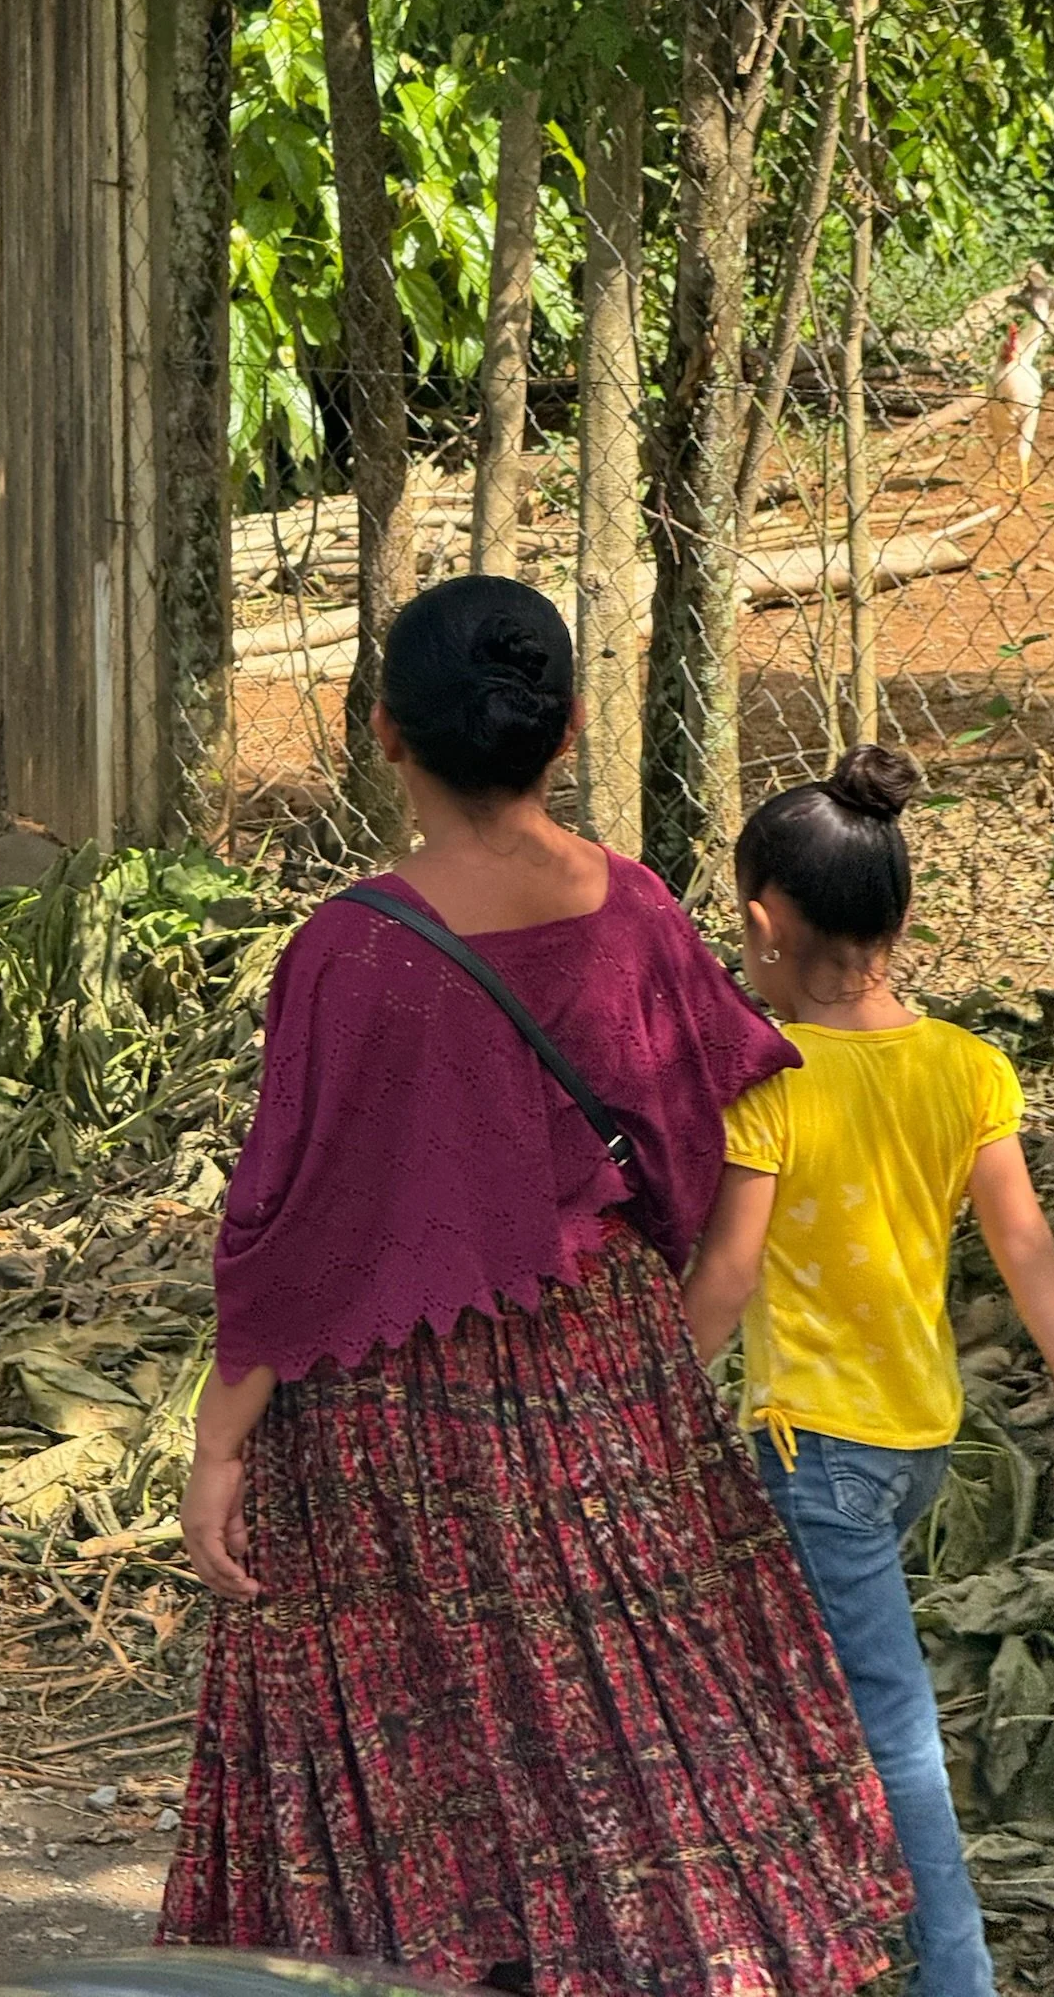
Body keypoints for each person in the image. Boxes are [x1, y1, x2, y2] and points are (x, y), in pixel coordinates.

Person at [157, 576, 910, 1996]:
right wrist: (668, 1325)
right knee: (631, 1717)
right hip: (606, 1373)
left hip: (396, 1421)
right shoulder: (630, 907)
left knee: (447, 1739)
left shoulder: (346, 953)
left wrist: (219, 1439)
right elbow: (731, 1108)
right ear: (564, 737)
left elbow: (295, 1228)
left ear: (380, 733)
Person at [684, 743, 1054, 1997]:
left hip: (817, 1454)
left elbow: (732, 1275)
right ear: (904, 916)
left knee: (895, 1729)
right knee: (785, 1673)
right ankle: (780, 1925)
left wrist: (641, 1392)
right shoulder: (964, 1065)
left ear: (760, 921)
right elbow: (1024, 1247)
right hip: (916, 1442)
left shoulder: (772, 1076)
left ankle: (953, 1973)